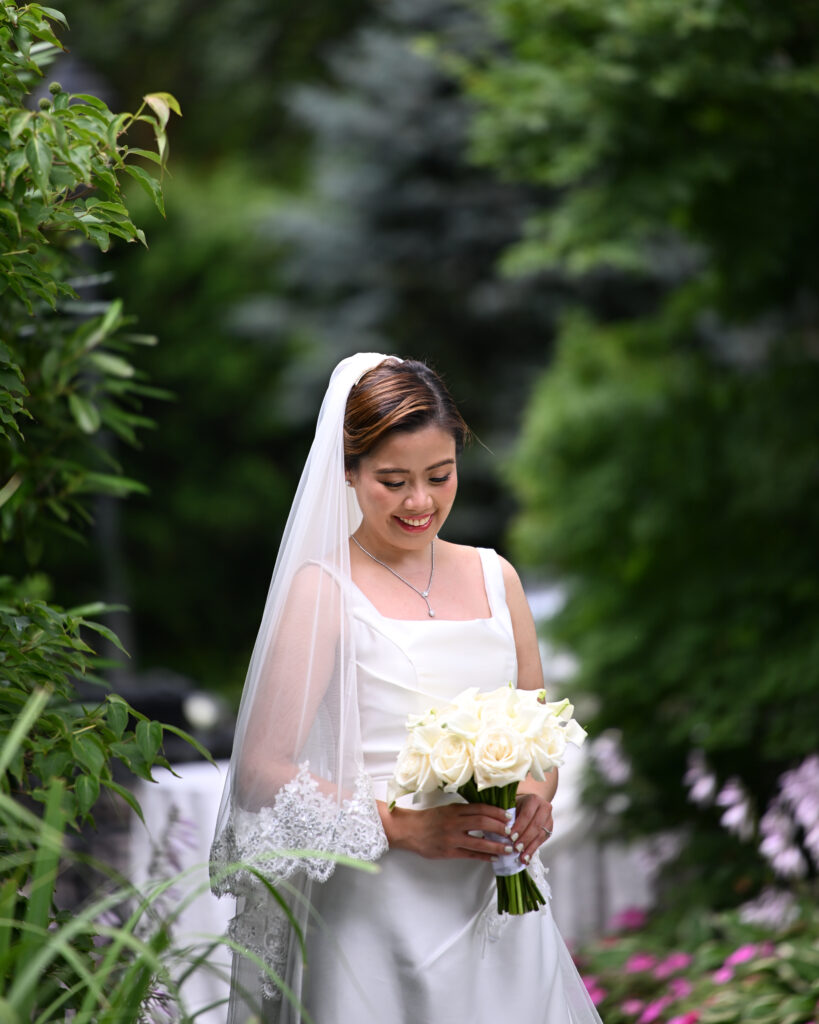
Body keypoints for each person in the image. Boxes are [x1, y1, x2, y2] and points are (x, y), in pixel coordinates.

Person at [211, 353, 603, 1024]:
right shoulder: (323, 590)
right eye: (392, 481)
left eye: (439, 476)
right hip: (381, 910)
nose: (420, 502)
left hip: (498, 900)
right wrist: (399, 825)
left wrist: (536, 796)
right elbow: (260, 770)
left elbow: (539, 734)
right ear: (348, 472)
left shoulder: (497, 578)